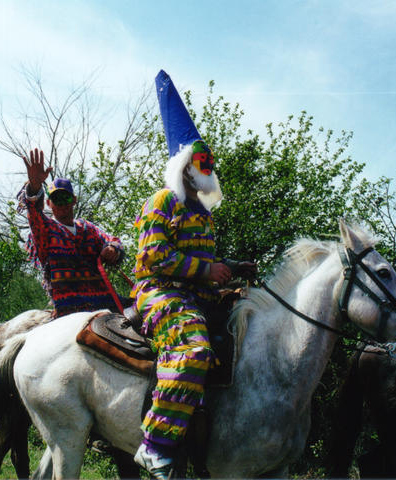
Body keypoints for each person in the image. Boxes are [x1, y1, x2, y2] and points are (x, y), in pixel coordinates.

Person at [131, 70, 256, 478]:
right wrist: (207, 269)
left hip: (197, 294)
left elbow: (206, 264)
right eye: (202, 160)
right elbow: (154, 254)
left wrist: (233, 269)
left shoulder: (203, 215)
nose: (209, 166)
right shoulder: (163, 200)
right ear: (185, 164)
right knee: (195, 350)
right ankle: (154, 445)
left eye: (210, 161)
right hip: (159, 291)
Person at [17, 148, 125, 318]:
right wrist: (35, 186)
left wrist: (112, 248)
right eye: (56, 199)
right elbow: (34, 214)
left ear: (74, 200)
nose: (62, 204)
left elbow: (113, 240)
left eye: (66, 198)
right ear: (48, 203)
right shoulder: (45, 230)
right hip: (70, 309)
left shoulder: (88, 228)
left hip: (106, 301)